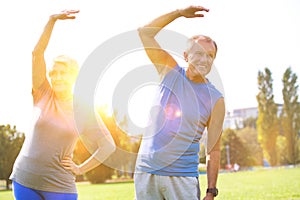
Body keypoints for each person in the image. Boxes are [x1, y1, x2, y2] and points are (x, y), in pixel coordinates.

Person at [9, 10, 116, 200]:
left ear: (74, 76)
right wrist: (51, 20)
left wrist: (80, 168)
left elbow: (108, 145)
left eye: (63, 73)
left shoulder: (83, 108)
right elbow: (37, 53)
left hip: (60, 185)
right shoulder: (43, 94)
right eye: (54, 73)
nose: (57, 78)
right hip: (25, 180)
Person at [134, 5, 225, 200]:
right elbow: (144, 33)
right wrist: (179, 13)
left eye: (210, 56)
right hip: (146, 173)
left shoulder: (216, 99)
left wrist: (211, 190)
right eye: (199, 53)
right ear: (186, 56)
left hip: (182, 178)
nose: (204, 60)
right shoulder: (169, 71)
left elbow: (214, 149)